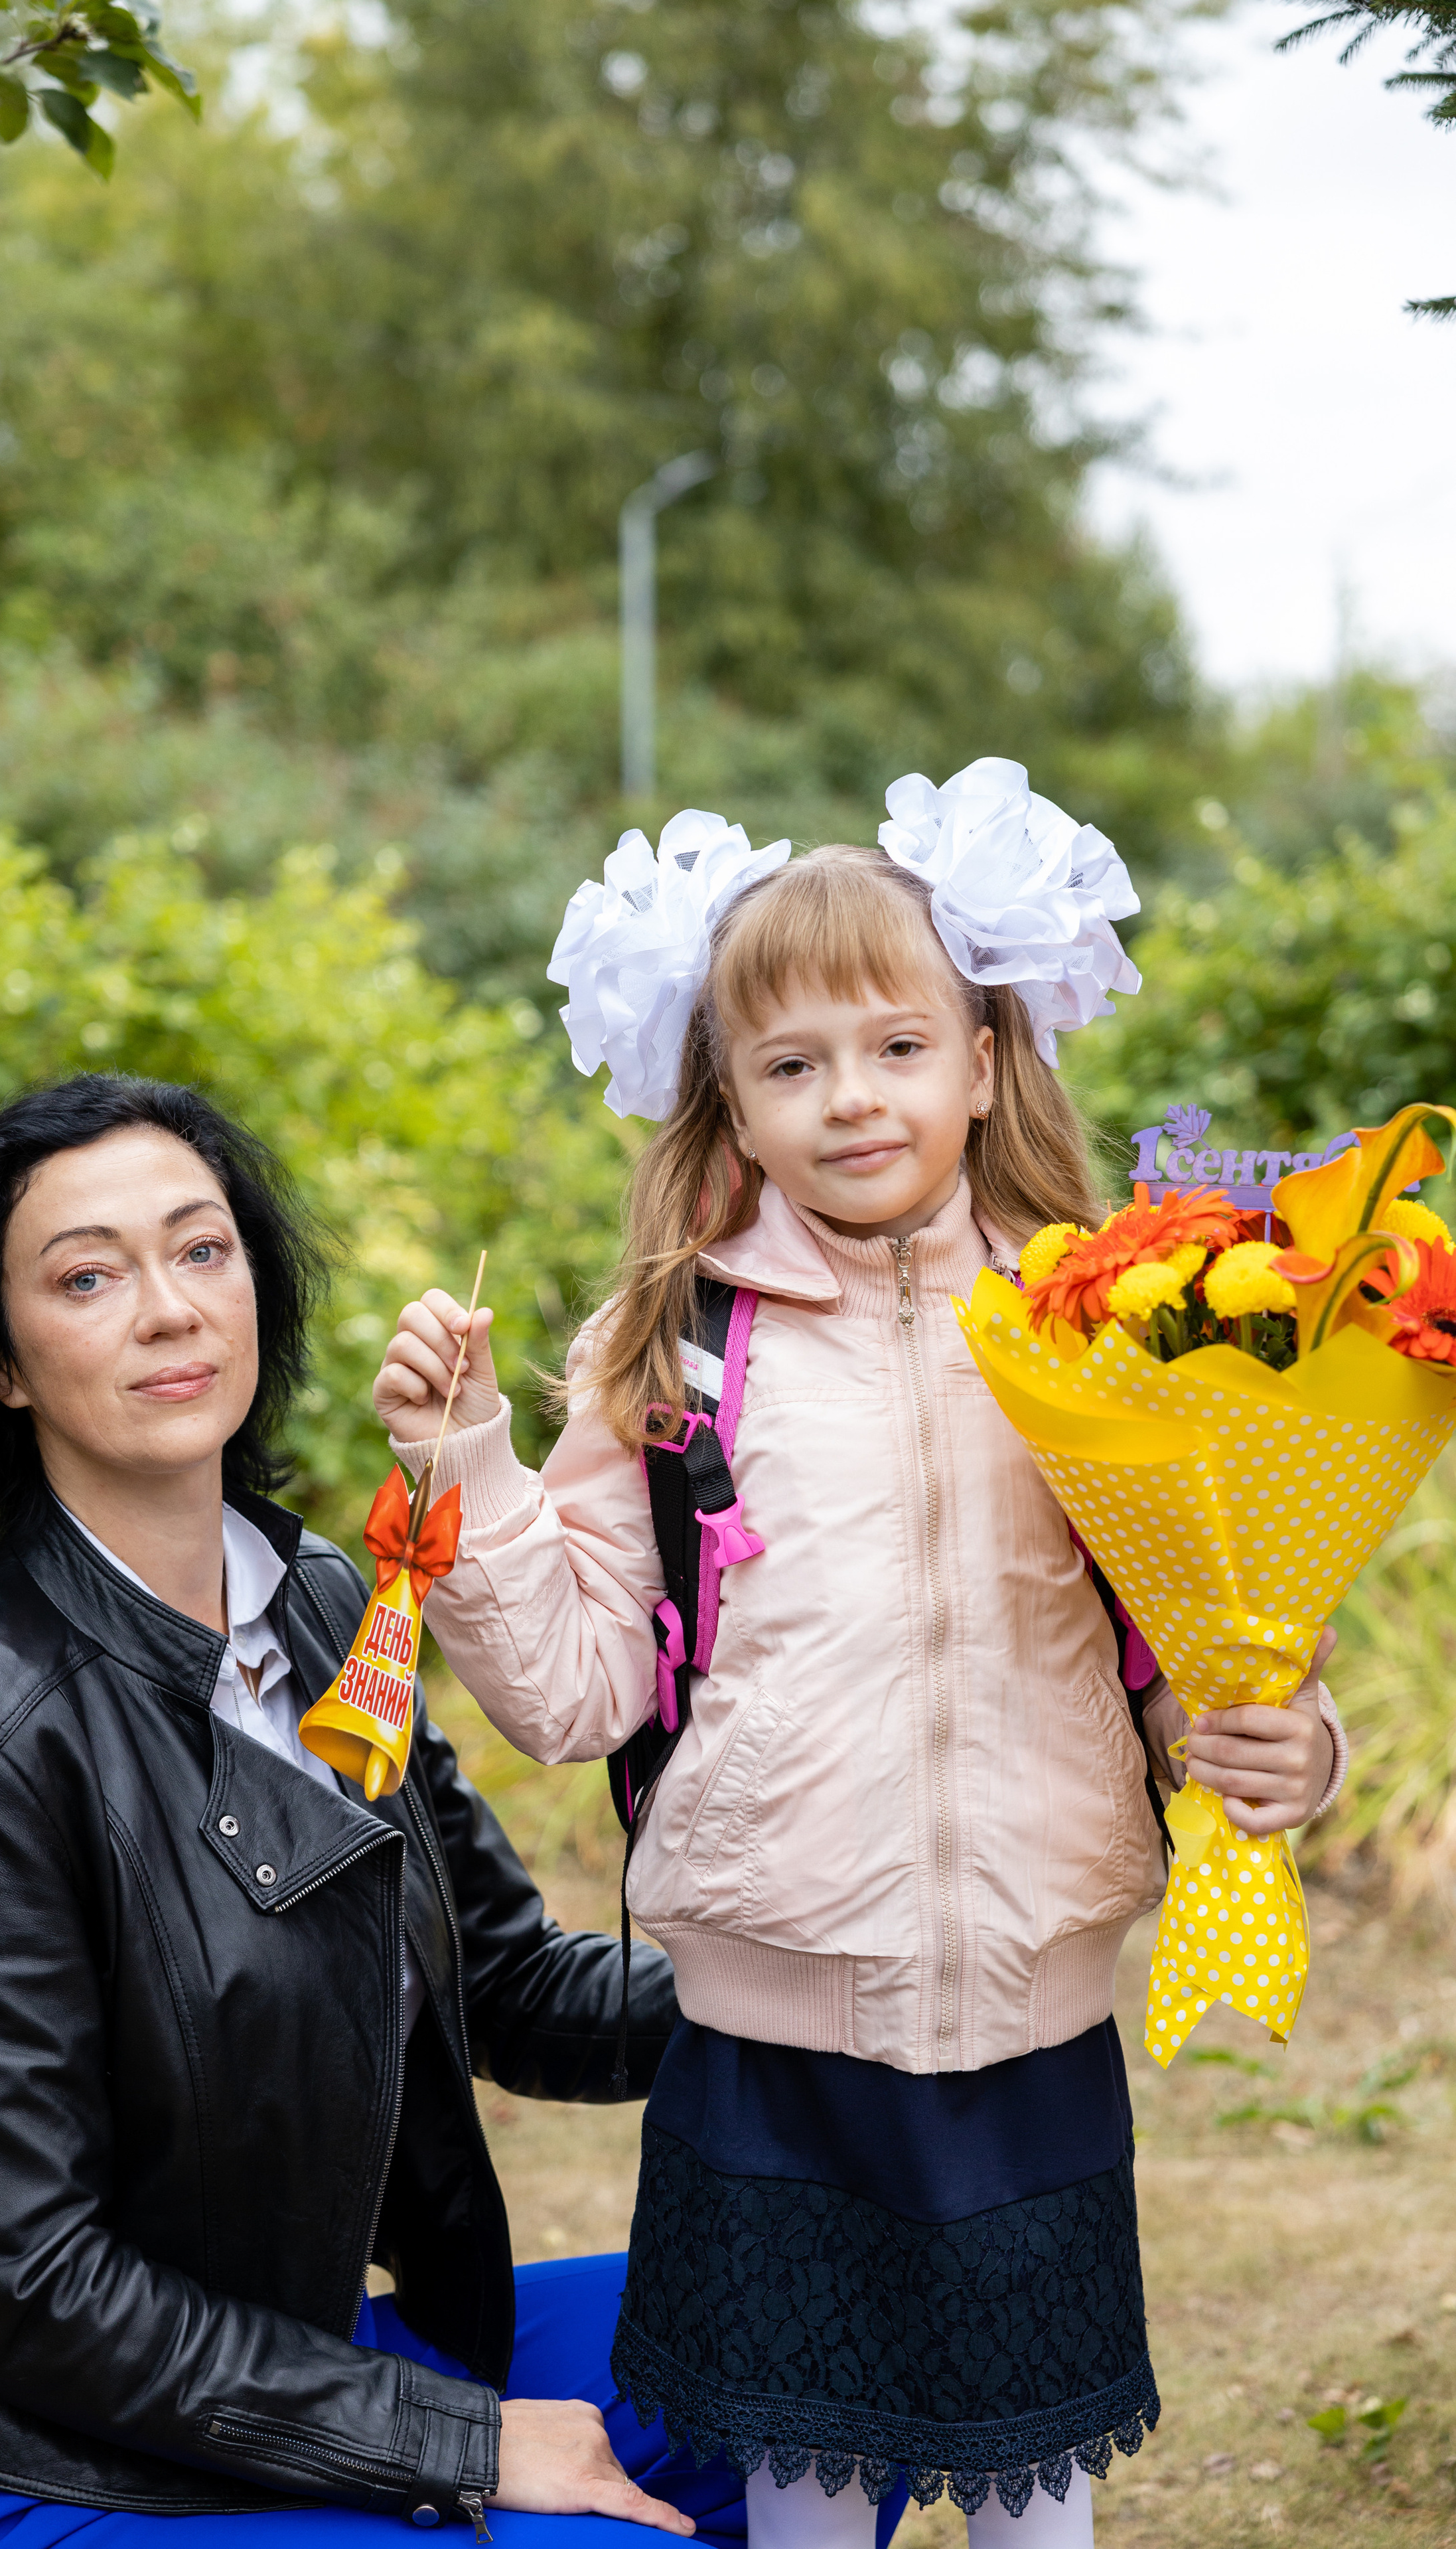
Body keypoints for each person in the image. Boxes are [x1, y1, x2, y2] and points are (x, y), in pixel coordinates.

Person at [372, 781, 1349, 2549]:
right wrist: (472, 1473)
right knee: (806, 2494)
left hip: (1037, 2021)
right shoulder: (669, 1351)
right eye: (793, 1062)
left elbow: (1200, 1651)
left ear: (987, 1057)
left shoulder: (1106, 1330)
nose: (853, 1098)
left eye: (899, 1044)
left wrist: (1290, 1742)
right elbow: (576, 1694)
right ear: (727, 1095)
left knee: (1036, 2497)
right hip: (771, 2035)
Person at [0, 1072, 743, 2548]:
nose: (170, 1309)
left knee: (828, 2335)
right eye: (85, 1276)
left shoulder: (322, 1601)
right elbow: (26, 2283)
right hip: (54, 2461)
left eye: (202, 1250)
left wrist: (815, 1983)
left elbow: (504, 1983)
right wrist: (460, 2439)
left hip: (312, 2354)